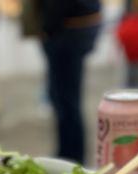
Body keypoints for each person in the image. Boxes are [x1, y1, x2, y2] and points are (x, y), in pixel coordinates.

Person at [40, 0, 101, 164]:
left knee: (66, 102)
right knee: (62, 99)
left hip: (67, 30)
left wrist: (48, 28)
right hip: (70, 27)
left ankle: (71, 161)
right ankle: (67, 156)